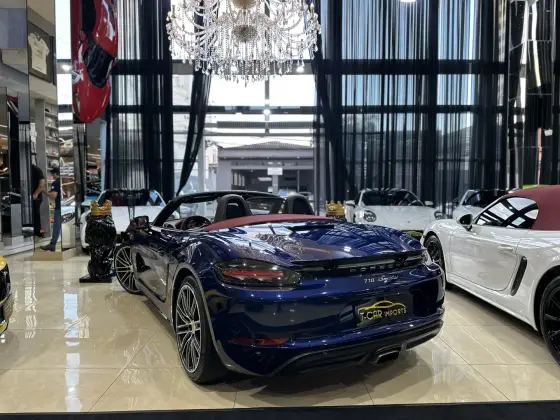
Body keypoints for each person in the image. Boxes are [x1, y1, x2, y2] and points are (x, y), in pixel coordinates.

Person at [41, 167, 61, 251]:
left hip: (59, 208)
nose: (52, 176)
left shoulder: (55, 182)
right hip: (66, 207)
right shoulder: (64, 181)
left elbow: (53, 195)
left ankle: (52, 245)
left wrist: (44, 191)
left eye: (53, 174)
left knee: (56, 226)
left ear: (55, 174)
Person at [31, 164, 46, 238]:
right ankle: (35, 233)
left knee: (36, 215)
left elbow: (42, 183)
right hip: (29, 197)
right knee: (33, 216)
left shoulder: (36, 170)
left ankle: (38, 234)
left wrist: (35, 194)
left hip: (35, 198)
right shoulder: (25, 169)